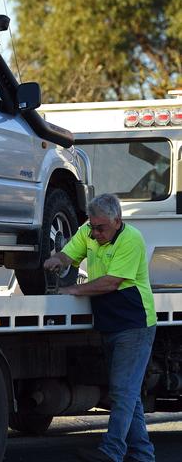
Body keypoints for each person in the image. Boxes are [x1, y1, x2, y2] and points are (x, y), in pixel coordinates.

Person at [44, 193, 157, 462]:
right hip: (111, 324)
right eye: (92, 226)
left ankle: (112, 452)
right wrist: (58, 260)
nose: (94, 234)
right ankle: (142, 455)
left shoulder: (131, 239)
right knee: (129, 394)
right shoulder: (90, 230)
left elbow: (111, 283)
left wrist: (73, 289)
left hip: (134, 324)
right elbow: (69, 254)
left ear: (117, 221)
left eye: (100, 228)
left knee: (122, 392)